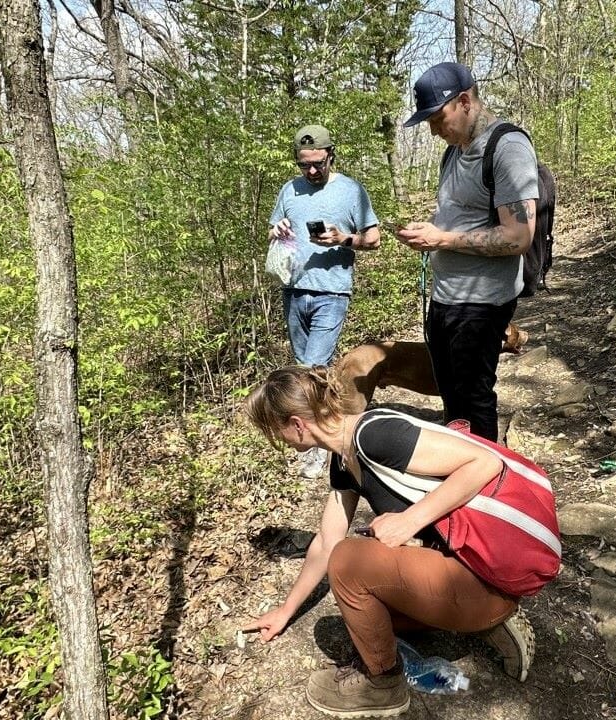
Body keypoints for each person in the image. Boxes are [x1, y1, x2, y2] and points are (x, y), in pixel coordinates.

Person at [243, 366, 536, 718]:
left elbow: (485, 463)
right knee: (365, 615)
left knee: (349, 562)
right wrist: (285, 611)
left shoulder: (375, 435)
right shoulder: (343, 458)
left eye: (276, 433)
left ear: (296, 423)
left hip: (483, 576)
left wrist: (409, 521)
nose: (281, 443)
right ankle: (491, 623)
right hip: (460, 573)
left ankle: (382, 684)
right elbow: (325, 540)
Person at [396, 63, 539, 443]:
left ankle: (489, 483)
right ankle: (459, 474)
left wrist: (441, 239)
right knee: (452, 397)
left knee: (474, 399)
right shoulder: (453, 153)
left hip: (482, 301)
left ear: (464, 101)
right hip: (445, 297)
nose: (432, 129)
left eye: (437, 118)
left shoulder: (507, 147)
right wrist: (425, 232)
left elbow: (519, 236)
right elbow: (458, 215)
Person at [268, 124, 381, 478]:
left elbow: (374, 239)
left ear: (331, 155)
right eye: (305, 165)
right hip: (293, 288)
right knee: (303, 366)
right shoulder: (289, 190)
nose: (312, 171)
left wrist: (344, 239)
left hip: (332, 291)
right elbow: (275, 226)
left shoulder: (351, 191)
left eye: (318, 163)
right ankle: (320, 428)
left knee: (313, 366)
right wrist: (278, 230)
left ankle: (318, 445)